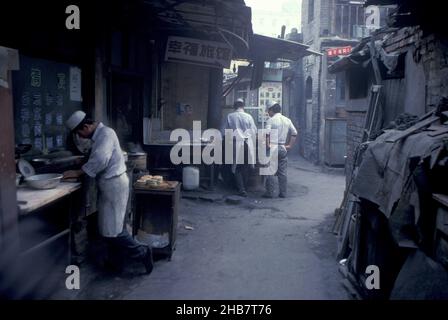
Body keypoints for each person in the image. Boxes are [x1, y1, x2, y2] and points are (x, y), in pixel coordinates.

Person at [63, 110, 153, 274]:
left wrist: (78, 172)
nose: (81, 137)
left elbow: (100, 159)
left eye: (79, 133)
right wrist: (83, 161)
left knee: (114, 230)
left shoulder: (106, 134)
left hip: (114, 186)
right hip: (109, 186)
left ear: (86, 126)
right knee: (109, 229)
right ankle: (116, 262)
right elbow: (96, 156)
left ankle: (143, 252)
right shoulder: (100, 135)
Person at [222, 98, 257, 197]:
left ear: (234, 106)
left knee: (236, 167)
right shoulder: (249, 116)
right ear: (243, 106)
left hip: (236, 143)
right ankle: (244, 187)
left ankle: (241, 189)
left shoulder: (230, 116)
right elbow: (254, 131)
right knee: (245, 166)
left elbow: (223, 131)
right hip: (247, 144)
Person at [263, 102, 298, 198]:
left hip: (273, 147)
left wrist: (267, 145)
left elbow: (267, 134)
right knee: (282, 172)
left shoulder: (271, 120)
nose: (268, 113)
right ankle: (283, 193)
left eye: (268, 111)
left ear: (271, 110)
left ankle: (270, 193)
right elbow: (294, 132)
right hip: (283, 148)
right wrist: (289, 145)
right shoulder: (287, 120)